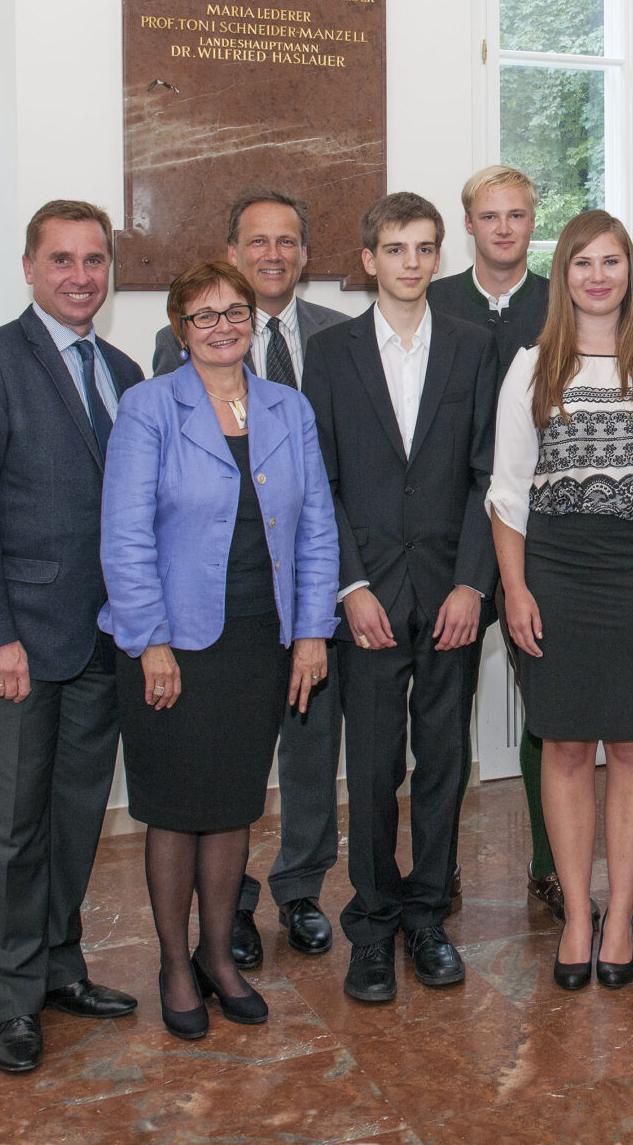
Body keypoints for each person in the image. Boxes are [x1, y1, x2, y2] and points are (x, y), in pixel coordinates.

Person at [0, 200, 144, 1074]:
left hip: (95, 640)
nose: (81, 276)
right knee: (4, 827)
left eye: (94, 260)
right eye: (62, 260)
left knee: (73, 817)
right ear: (29, 267)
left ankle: (56, 967)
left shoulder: (121, 368)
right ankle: (8, 999)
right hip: (7, 643)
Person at [99, 258, 339, 1038]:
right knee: (174, 809)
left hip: (256, 640)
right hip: (174, 644)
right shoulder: (148, 408)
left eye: (235, 311)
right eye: (205, 315)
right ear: (179, 328)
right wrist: (150, 641)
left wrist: (310, 631)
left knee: (235, 803)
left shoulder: (287, 408)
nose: (224, 326)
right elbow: (125, 536)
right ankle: (174, 963)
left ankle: (217, 954)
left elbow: (315, 530)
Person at [488, 209, 633, 990]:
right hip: (556, 573)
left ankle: (619, 919)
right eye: (584, 262)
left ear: (630, 274)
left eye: (613, 261)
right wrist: (514, 589)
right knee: (568, 744)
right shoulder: (533, 365)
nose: (599, 275)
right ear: (564, 273)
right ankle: (577, 913)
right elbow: (507, 495)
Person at [302, 193, 500, 1003]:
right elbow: (323, 482)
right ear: (369, 259)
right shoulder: (334, 352)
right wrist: (348, 585)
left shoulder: (473, 345)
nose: (411, 262)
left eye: (425, 248)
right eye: (395, 248)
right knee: (375, 765)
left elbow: (490, 474)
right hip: (370, 598)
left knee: (445, 763)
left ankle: (427, 918)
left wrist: (472, 583)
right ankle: (373, 924)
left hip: (452, 592)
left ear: (438, 255)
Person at [151, 189, 347, 968]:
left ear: (306, 253)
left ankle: (299, 887)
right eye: (258, 241)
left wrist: (325, 606)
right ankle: (225, 911)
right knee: (219, 769)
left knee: (307, 746)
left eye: (288, 241)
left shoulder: (337, 338)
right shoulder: (176, 354)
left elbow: (333, 485)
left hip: (302, 589)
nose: (274, 254)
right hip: (212, 602)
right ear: (233, 251)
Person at [428, 166, 573, 924]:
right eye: (490, 215)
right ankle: (437, 866)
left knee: (548, 712)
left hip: (540, 542)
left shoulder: (565, 300)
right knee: (445, 716)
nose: (505, 228)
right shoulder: (434, 301)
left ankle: (551, 866)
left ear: (533, 219)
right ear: (470, 224)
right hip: (453, 545)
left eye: (518, 214)